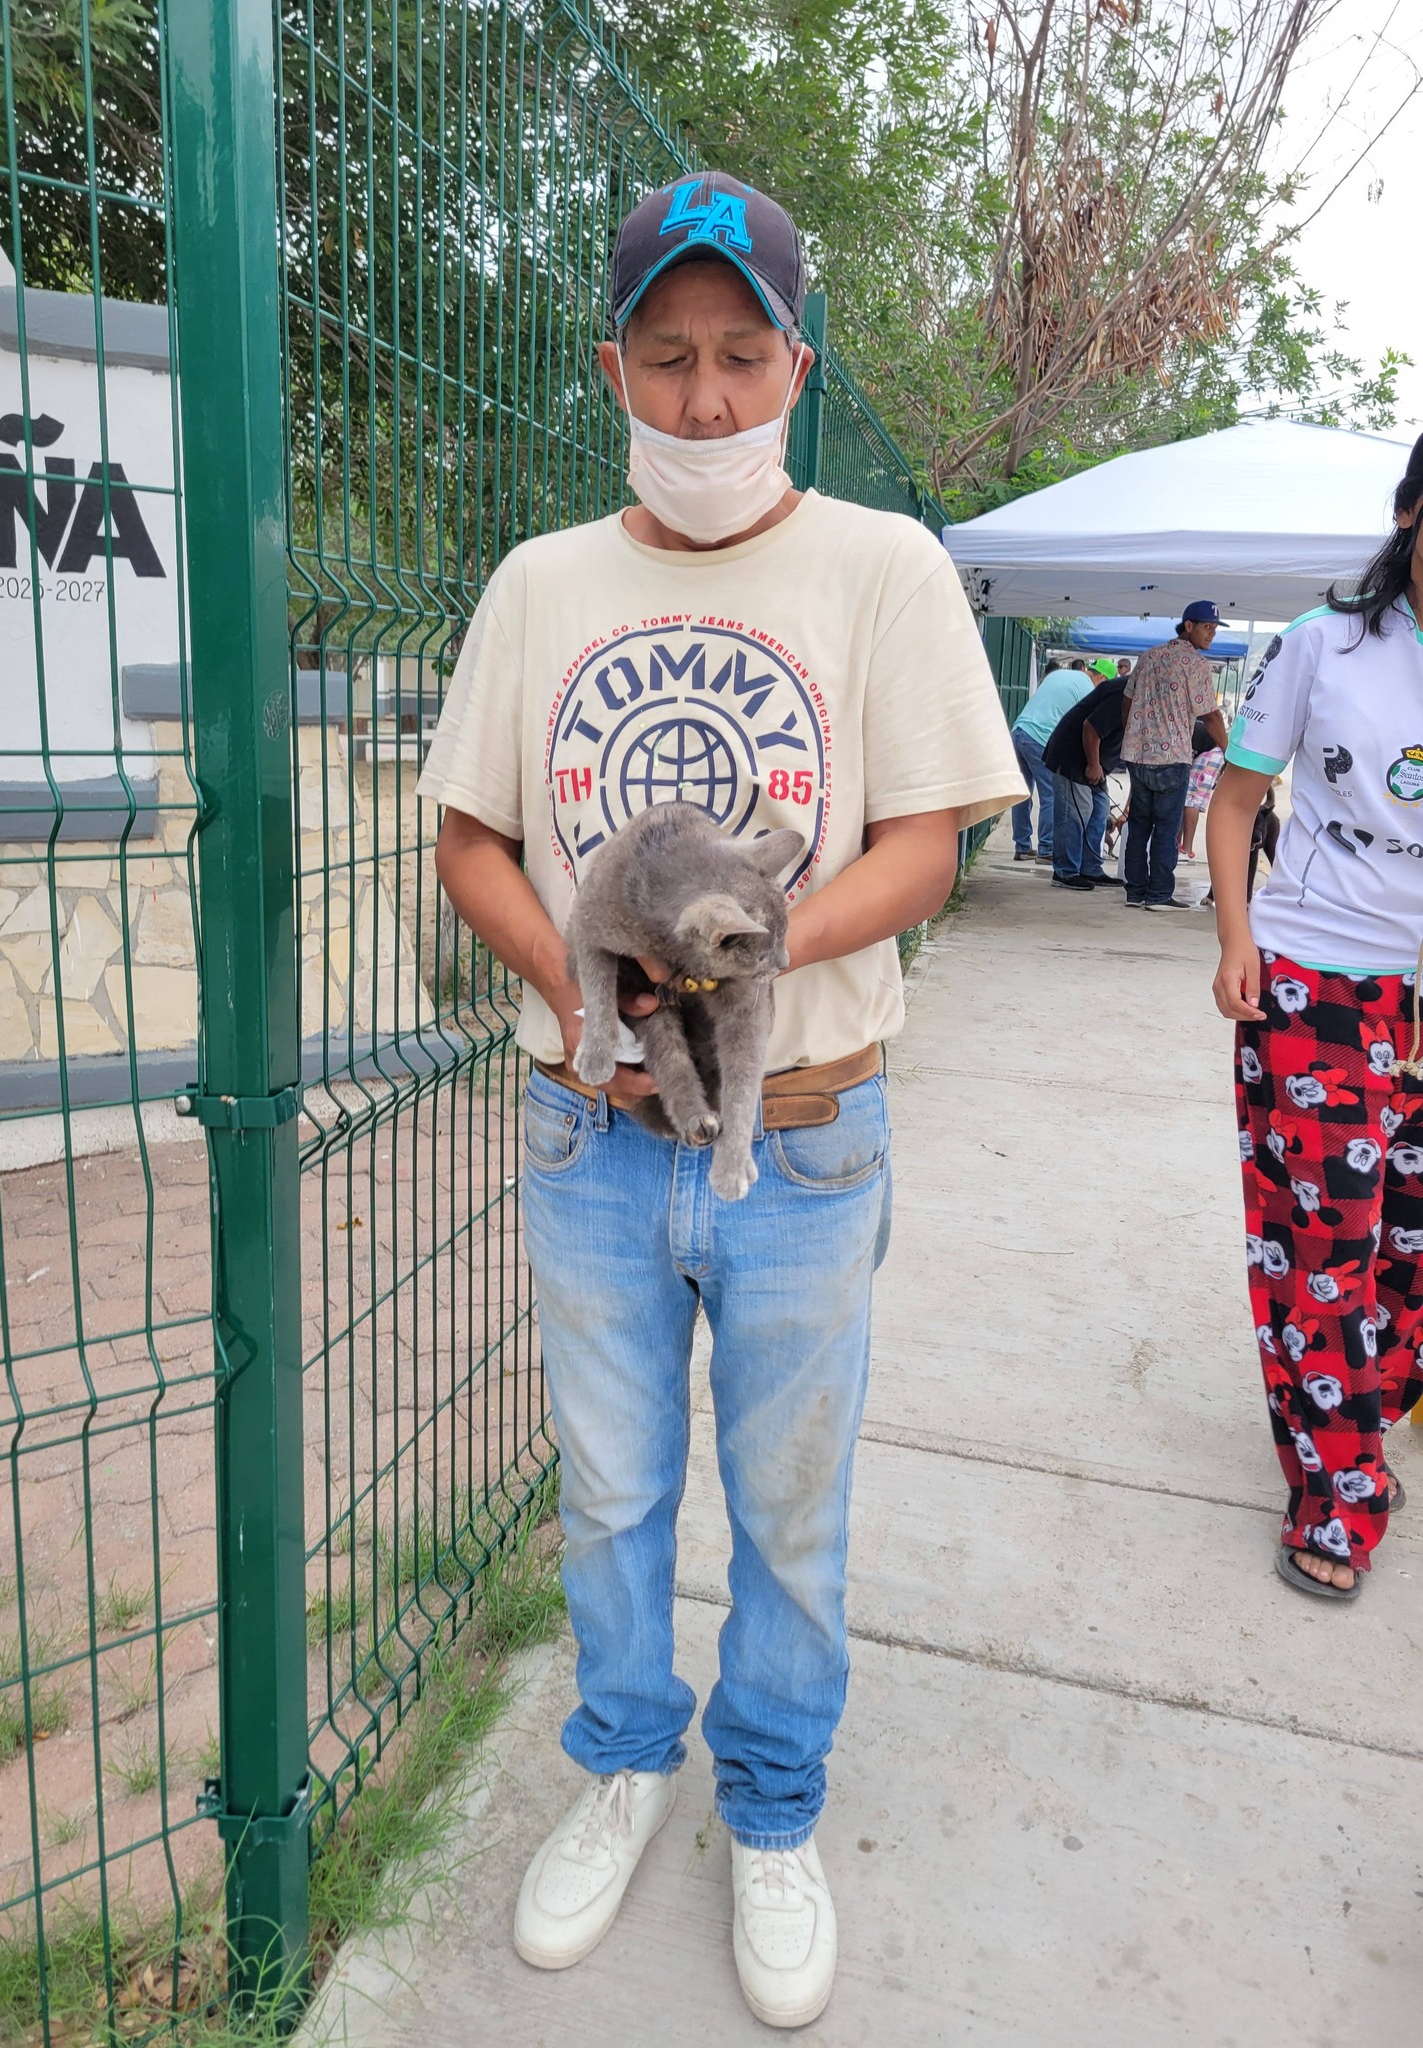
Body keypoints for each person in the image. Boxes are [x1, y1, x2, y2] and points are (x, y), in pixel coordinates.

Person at [419, 170, 1024, 2020]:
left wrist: (737, 957)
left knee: (788, 1506)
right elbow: (471, 838)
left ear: (796, 368)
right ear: (615, 363)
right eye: (667, 359)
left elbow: (924, 843)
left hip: (804, 1129)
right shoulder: (545, 585)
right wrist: (600, 994)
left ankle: (770, 1807)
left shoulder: (880, 569)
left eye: (740, 359)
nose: (701, 402)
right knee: (608, 1495)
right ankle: (622, 1760)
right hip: (591, 1129)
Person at [1207, 429, 1423, 1600]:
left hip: (1415, 992)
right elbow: (1237, 800)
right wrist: (1238, 937)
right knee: (1329, 1245)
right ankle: (1340, 1492)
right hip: (1315, 983)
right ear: (1411, 514)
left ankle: (1349, 1414)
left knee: (1402, 1248)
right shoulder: (1321, 645)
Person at [1120, 603, 1228, 908]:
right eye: (1208, 627)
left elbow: (1127, 700)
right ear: (1189, 625)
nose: (1212, 634)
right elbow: (1210, 715)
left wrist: (1131, 732)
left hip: (1138, 753)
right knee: (1167, 827)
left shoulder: (1149, 656)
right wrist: (1228, 751)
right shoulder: (1196, 664)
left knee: (1140, 823)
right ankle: (1158, 894)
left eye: (1215, 628)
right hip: (1173, 756)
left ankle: (1135, 891)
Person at [1044, 659, 1128, 891]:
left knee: (1099, 812)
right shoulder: (1122, 693)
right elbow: (1090, 728)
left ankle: (1090, 868)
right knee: (1075, 813)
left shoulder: (1141, 696)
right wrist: (1093, 764)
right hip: (1073, 756)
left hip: (1096, 761)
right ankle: (1065, 871)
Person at [1008, 659, 1092, 863]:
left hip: (1019, 731)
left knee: (1022, 794)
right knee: (1050, 795)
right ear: (1100, 678)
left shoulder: (1056, 675)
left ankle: (1022, 846)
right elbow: (1087, 726)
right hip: (1039, 737)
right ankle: (1046, 848)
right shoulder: (1089, 688)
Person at [1179, 715, 1226, 860]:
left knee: (1191, 799)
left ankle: (1186, 850)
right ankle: (1177, 846)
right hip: (1206, 748)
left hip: (1212, 751)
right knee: (1182, 797)